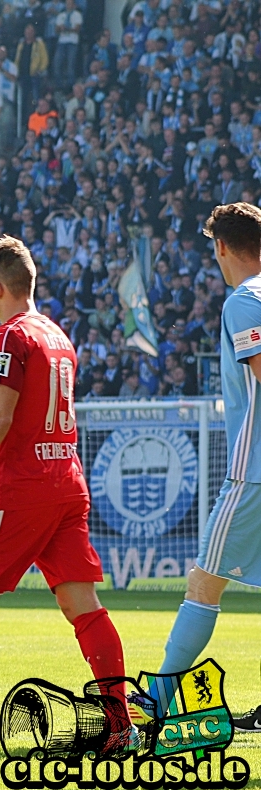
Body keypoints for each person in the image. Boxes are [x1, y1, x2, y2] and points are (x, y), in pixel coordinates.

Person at [0, 235, 128, 732]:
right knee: (83, 606)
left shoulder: (8, 336)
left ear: (2, 287)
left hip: (22, 488)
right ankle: (118, 720)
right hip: (66, 484)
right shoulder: (57, 334)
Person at [149, 206, 261, 730]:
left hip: (253, 471)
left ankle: (153, 704)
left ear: (221, 249)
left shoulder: (245, 300)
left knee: (203, 582)